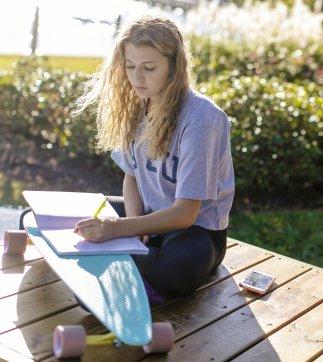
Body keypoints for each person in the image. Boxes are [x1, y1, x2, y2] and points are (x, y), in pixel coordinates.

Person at [71, 14, 235, 302]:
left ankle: (126, 268)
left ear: (174, 67)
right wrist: (134, 230)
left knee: (178, 268)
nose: (137, 78)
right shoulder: (137, 107)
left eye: (149, 68)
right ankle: (136, 259)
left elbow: (185, 213)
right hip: (146, 218)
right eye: (130, 66)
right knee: (59, 217)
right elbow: (131, 177)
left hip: (194, 233)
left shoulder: (202, 120)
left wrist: (118, 229)